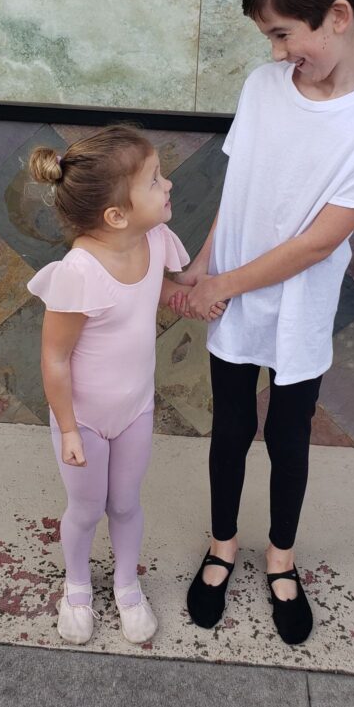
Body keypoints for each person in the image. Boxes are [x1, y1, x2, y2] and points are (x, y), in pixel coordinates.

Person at [170, 0, 354, 644]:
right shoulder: (262, 86)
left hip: (297, 306)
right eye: (269, 40)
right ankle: (222, 547)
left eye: (284, 35)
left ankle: (280, 558)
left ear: (337, 17)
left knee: (286, 435)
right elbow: (239, 188)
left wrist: (224, 284)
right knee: (229, 428)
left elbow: (319, 241)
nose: (278, 53)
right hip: (234, 298)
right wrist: (202, 266)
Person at [27, 126, 225, 646]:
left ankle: (127, 585)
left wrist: (201, 291)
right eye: (155, 179)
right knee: (87, 508)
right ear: (116, 215)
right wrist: (68, 428)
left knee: (127, 504)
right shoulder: (77, 272)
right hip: (86, 419)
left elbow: (159, 289)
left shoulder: (154, 240)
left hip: (135, 409)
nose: (169, 185)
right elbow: (55, 357)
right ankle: (76, 589)